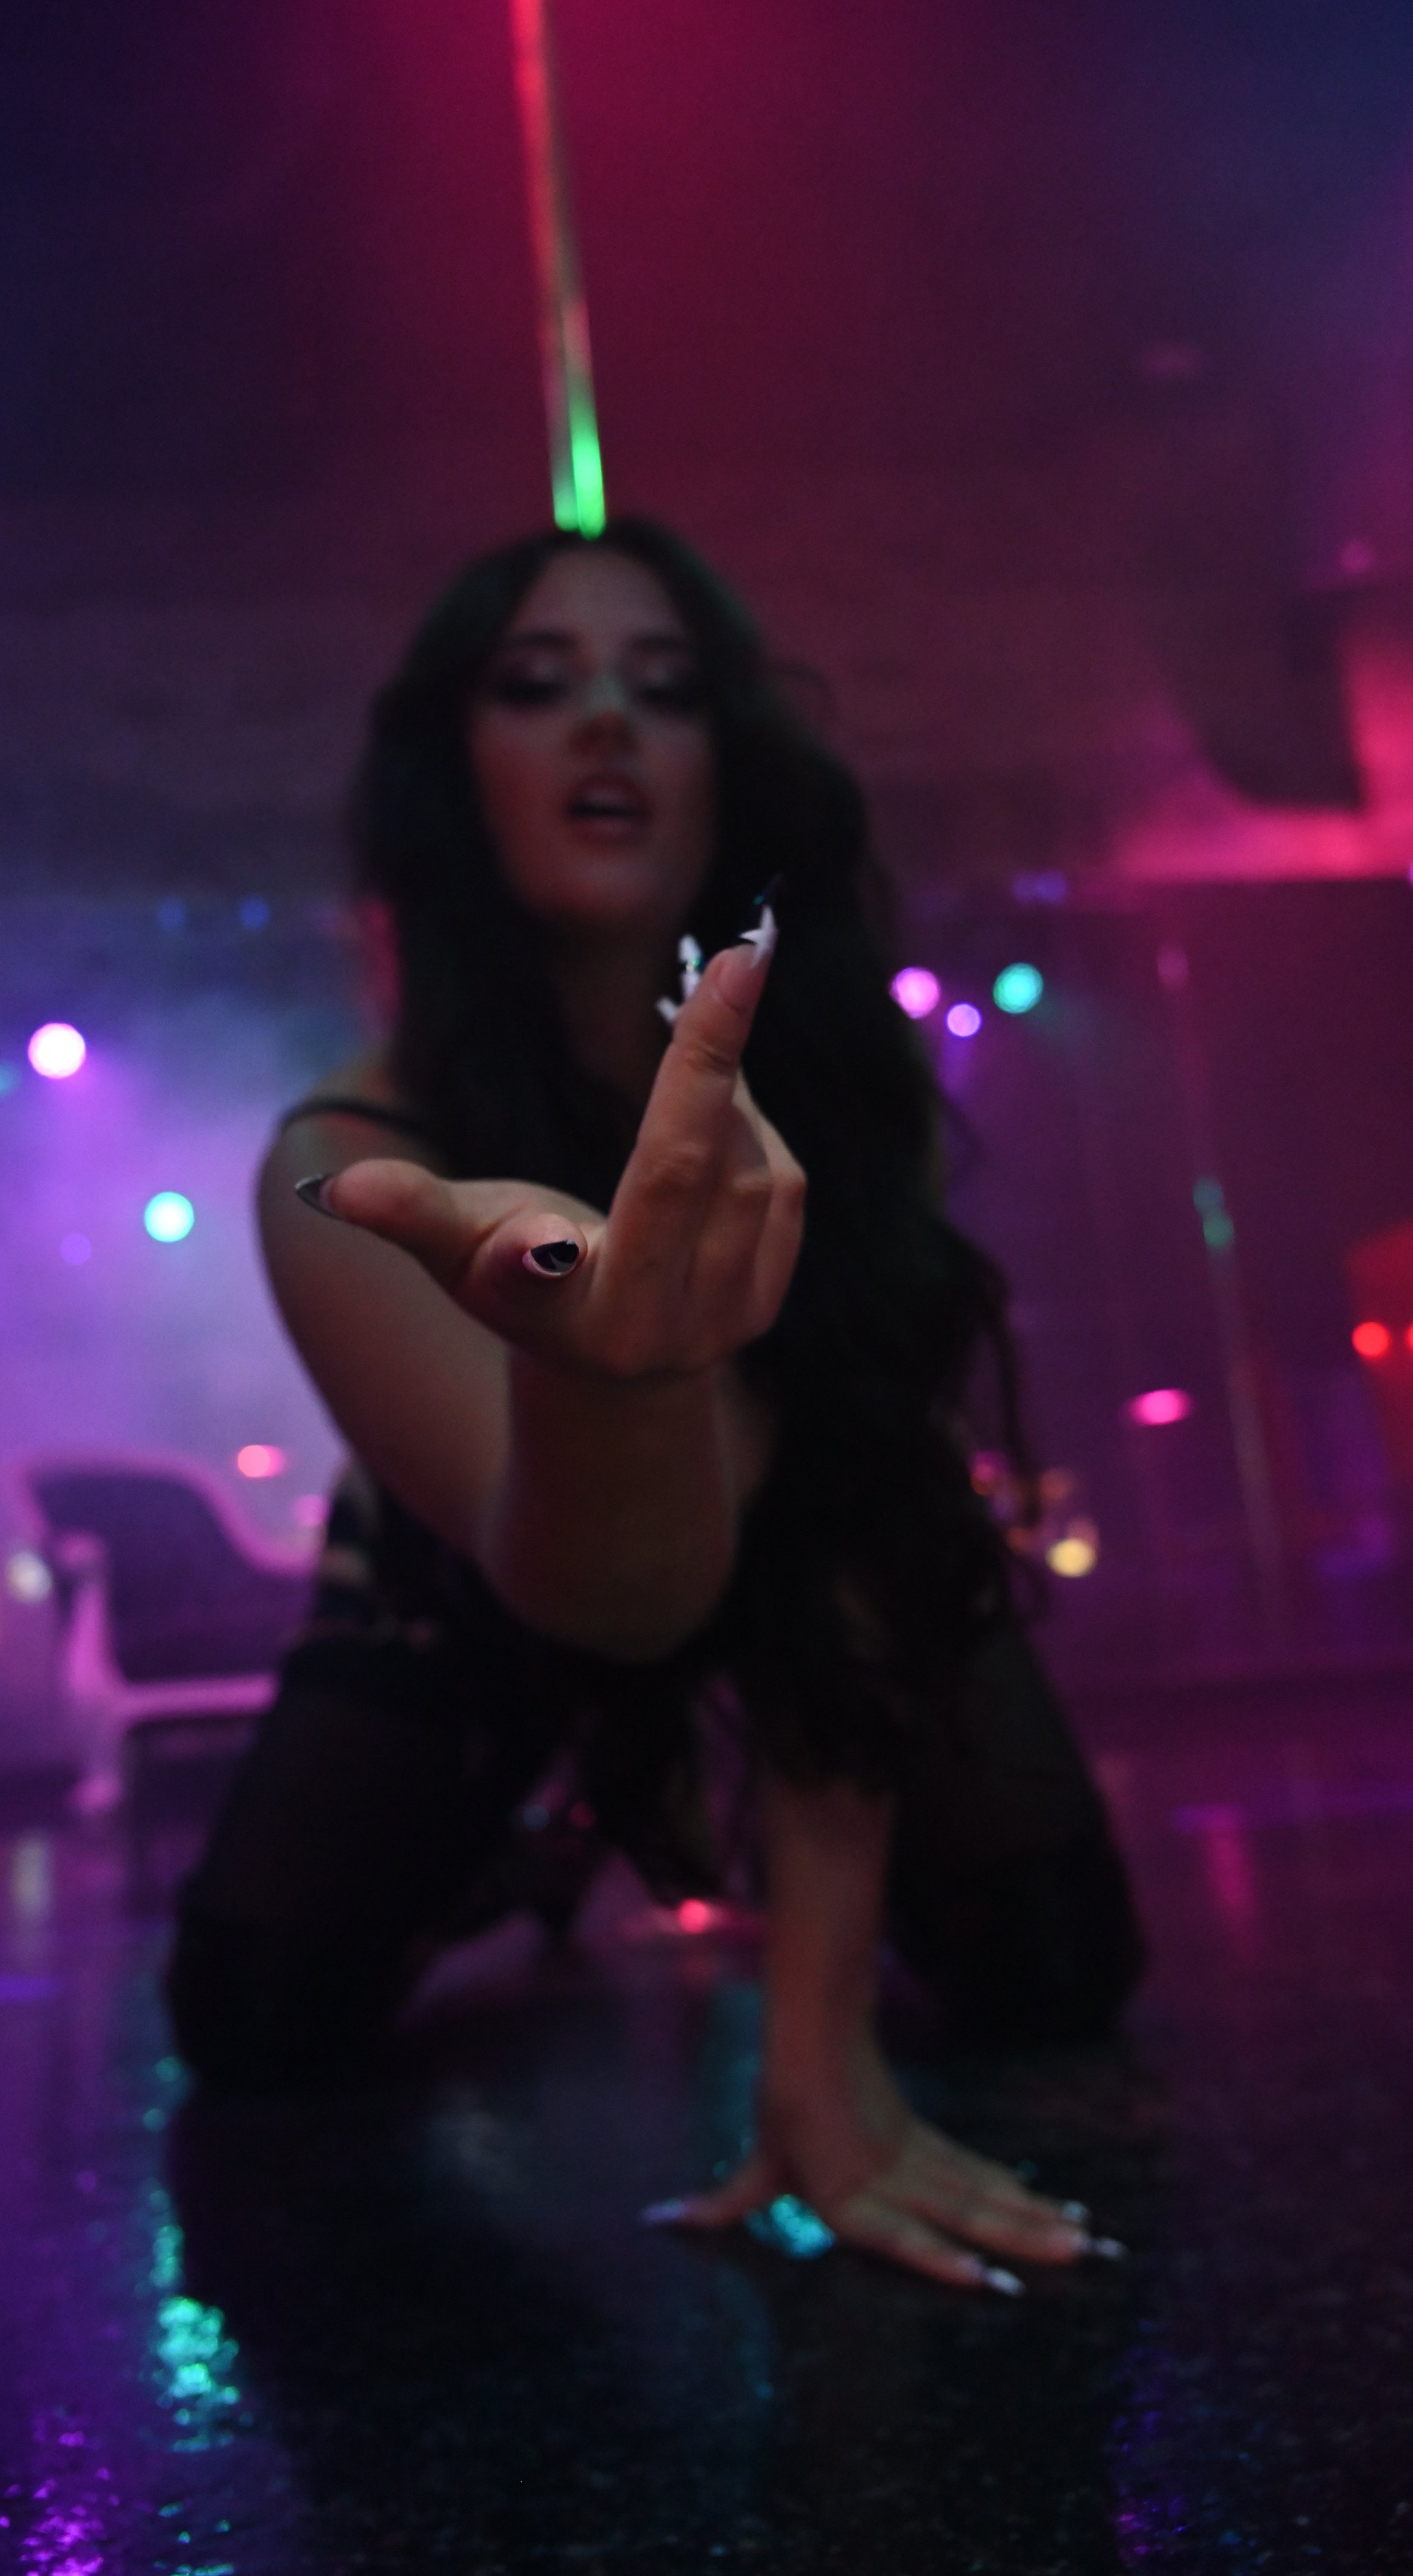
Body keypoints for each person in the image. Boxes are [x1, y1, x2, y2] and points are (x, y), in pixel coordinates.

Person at [167, 518, 1144, 2291]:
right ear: (455, 774)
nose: (607, 722)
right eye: (538, 686)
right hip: (480, 1563)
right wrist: (607, 1376)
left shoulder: (840, 1092)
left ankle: (625, 1809)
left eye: (666, 689)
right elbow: (604, 1594)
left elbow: (841, 1527)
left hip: (816, 1542)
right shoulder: (351, 1155)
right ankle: (544, 1831)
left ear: (728, 769)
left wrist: (817, 2048)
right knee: (259, 2012)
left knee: (1052, 1966)